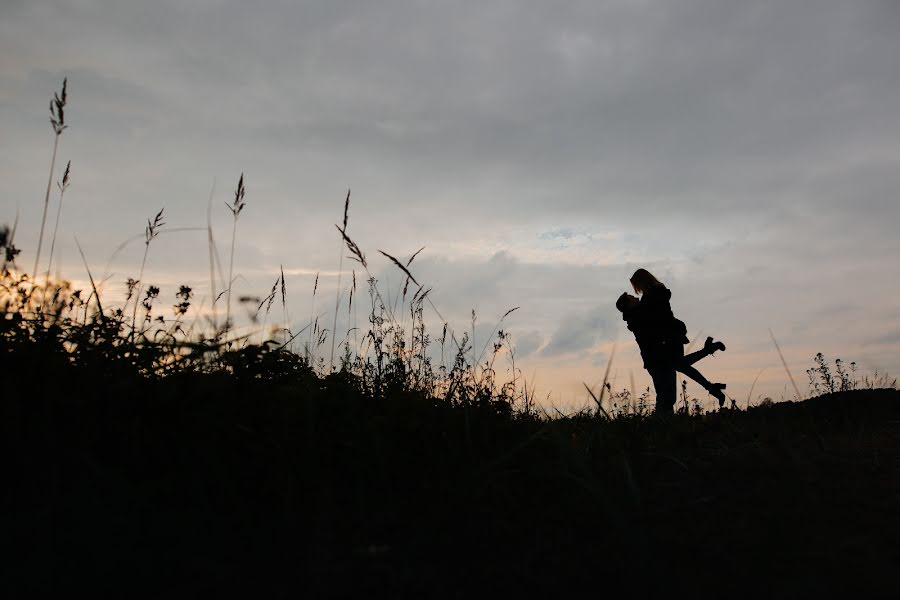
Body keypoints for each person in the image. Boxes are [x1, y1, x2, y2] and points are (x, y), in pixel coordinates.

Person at [617, 268, 727, 413]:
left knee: (668, 391)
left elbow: (660, 318)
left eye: (635, 288)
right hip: (658, 354)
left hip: (663, 349)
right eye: (631, 297)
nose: (635, 294)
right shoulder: (642, 309)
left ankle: (710, 379)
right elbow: (656, 321)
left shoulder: (646, 303)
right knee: (674, 379)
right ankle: (710, 377)